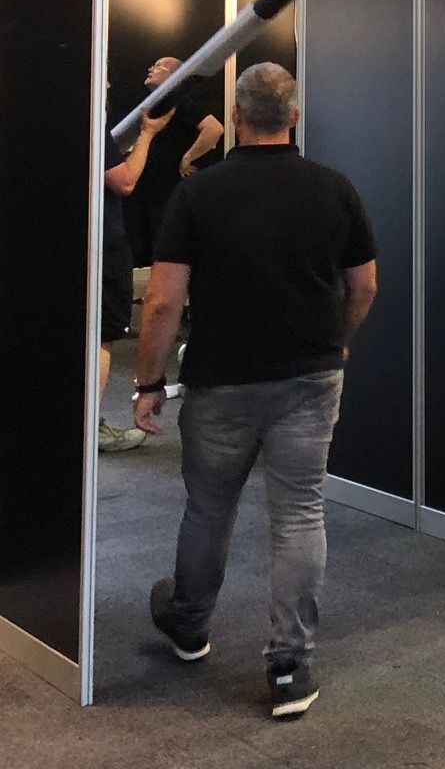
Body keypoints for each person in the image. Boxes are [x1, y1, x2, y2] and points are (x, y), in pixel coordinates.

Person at [131, 63, 378, 721]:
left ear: (237, 117)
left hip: (220, 382)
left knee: (209, 510)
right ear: (294, 116)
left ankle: (188, 625)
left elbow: (162, 301)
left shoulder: (198, 194)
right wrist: (338, 342)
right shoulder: (334, 189)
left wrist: (148, 382)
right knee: (299, 515)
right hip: (309, 380)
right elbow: (365, 287)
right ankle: (289, 667)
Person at [98, 104, 171, 453]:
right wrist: (148, 135)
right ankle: (93, 428)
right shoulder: (90, 122)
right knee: (102, 336)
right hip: (103, 243)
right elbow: (125, 181)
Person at [123, 55, 224, 278]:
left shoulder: (178, 102)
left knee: (162, 253)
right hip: (145, 193)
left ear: (174, 76)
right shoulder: (153, 106)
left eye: (159, 66)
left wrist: (187, 158)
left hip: (165, 193)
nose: (151, 68)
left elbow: (214, 129)